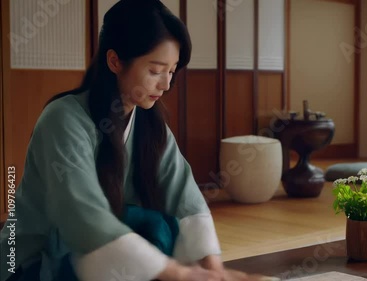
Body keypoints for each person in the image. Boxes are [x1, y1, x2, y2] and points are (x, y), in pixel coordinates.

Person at [0, 1, 261, 280]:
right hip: (31, 262)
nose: (166, 84)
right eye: (155, 70)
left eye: (171, 71)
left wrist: (214, 270)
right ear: (115, 61)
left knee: (162, 226)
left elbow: (184, 196)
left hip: (92, 257)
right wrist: (179, 274)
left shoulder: (149, 122)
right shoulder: (62, 118)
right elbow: (81, 216)